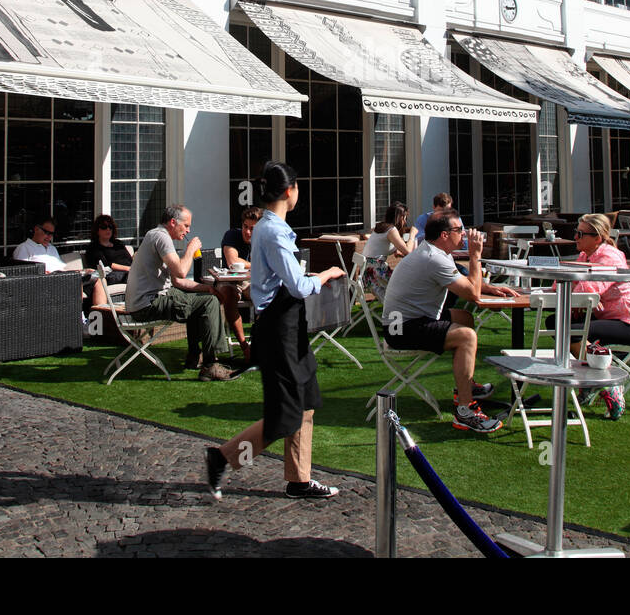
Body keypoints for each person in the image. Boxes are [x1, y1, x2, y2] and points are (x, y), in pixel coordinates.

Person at [204, 162, 347, 500]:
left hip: (288, 326)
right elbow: (297, 285)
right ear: (289, 191)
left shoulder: (274, 228)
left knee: (306, 403)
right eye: (298, 187)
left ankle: (299, 480)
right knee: (284, 416)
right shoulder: (272, 231)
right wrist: (327, 274)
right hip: (277, 329)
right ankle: (222, 458)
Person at [382, 210, 526, 433]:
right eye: (460, 230)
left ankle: (466, 387)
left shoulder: (435, 252)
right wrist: (475, 255)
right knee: (467, 337)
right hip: (401, 329)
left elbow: (464, 283)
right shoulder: (434, 258)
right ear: (444, 235)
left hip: (403, 321)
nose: (465, 233)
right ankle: (465, 412)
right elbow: (473, 295)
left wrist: (489, 287)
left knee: (464, 317)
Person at [126, 205, 235, 382]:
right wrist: (190, 250)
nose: (188, 230)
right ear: (173, 222)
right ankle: (211, 364)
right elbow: (181, 272)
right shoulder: (161, 237)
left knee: (202, 299)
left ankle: (194, 356)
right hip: (149, 304)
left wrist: (208, 289)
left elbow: (178, 282)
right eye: (186, 226)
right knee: (209, 303)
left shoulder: (155, 236)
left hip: (143, 302)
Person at [566, 213, 630, 421]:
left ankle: (605, 382)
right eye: (576, 233)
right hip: (612, 319)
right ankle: (595, 380)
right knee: (556, 323)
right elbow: (569, 281)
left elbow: (586, 289)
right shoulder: (586, 255)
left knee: (570, 329)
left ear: (598, 237)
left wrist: (586, 295)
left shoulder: (609, 257)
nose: (575, 238)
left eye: (580, 234)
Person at [14, 215, 108, 308]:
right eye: (46, 232)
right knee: (75, 280)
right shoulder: (24, 248)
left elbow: (62, 268)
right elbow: (21, 274)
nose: (49, 237)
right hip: (47, 283)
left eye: (52, 234)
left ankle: (101, 317)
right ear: (36, 229)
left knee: (99, 277)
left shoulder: (52, 249)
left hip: (65, 278)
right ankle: (78, 318)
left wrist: (84, 271)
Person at [216, 207, 262, 364]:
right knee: (230, 295)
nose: (248, 232)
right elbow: (233, 262)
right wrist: (257, 264)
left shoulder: (263, 240)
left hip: (251, 281)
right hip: (230, 280)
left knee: (263, 296)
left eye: (252, 229)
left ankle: (261, 344)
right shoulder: (232, 235)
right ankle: (244, 347)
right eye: (245, 227)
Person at [360, 202, 415, 300]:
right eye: (405, 217)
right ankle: (401, 312)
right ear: (400, 217)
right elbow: (408, 251)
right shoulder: (391, 230)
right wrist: (412, 235)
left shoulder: (381, 227)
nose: (405, 221)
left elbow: (381, 246)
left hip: (367, 274)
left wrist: (396, 251)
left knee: (404, 286)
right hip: (377, 274)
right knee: (407, 285)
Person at [83, 214, 131, 291]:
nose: (108, 229)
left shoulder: (118, 243)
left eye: (110, 227)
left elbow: (129, 259)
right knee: (135, 276)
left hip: (128, 272)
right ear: (97, 230)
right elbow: (106, 265)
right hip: (111, 274)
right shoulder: (94, 247)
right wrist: (129, 269)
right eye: (104, 227)